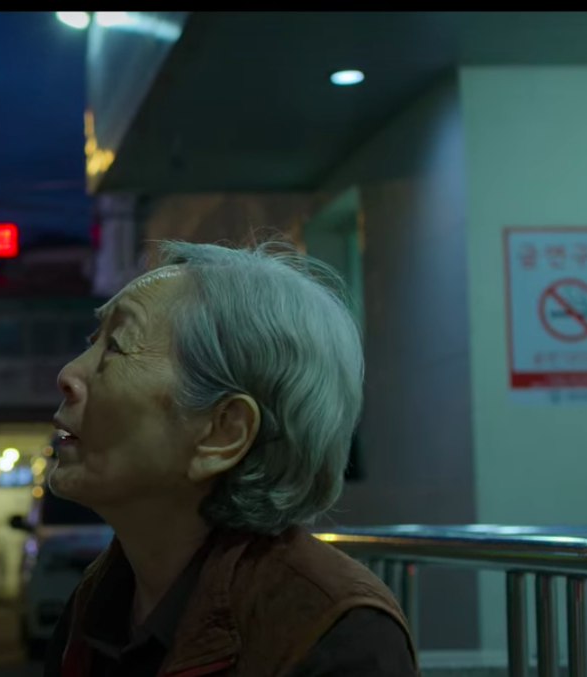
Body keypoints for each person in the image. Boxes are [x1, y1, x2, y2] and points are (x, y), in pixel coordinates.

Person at [44, 240, 417, 677]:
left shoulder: (336, 632)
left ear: (223, 433)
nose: (68, 374)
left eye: (116, 347)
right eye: (93, 341)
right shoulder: (99, 601)